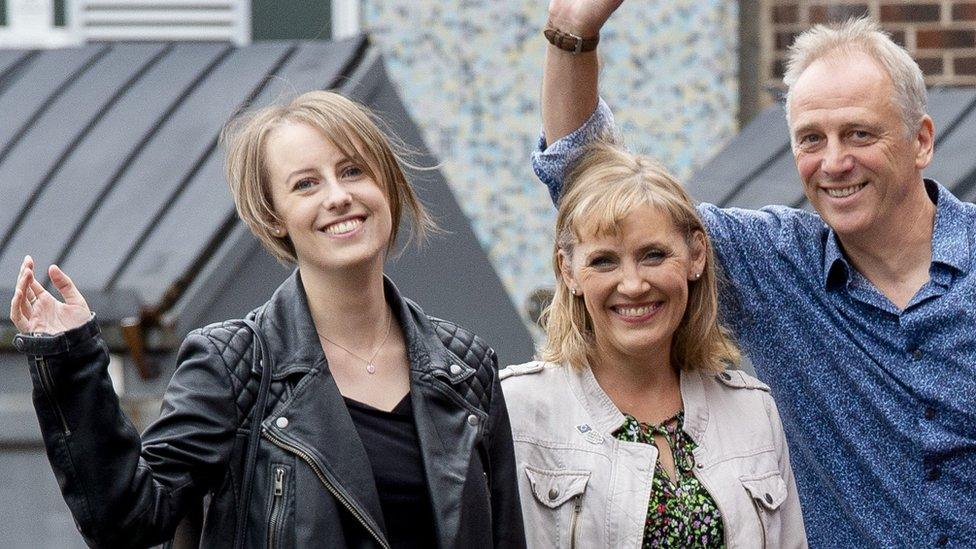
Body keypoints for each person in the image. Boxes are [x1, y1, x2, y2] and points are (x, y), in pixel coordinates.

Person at [533, 2, 976, 547]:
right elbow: (594, 190)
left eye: (859, 134)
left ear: (923, 141)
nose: (834, 162)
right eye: (812, 139)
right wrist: (573, 31)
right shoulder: (773, 264)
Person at [9, 90, 525, 548]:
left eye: (353, 171)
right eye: (305, 184)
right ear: (273, 214)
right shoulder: (233, 365)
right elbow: (129, 522)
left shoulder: (465, 367)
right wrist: (70, 357)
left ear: (386, 185)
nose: (338, 195)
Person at [501, 141, 806, 548]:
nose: (632, 284)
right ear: (568, 271)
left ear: (696, 255)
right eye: (604, 261)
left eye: (654, 255)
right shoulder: (516, 411)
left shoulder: (753, 411)